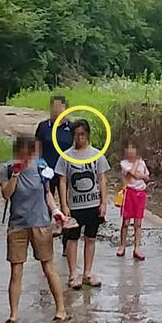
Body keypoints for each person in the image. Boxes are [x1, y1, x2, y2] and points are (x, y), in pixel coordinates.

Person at [0, 132, 68, 323]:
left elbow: (47, 193)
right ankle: (13, 315)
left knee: (48, 267)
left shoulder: (42, 167)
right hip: (17, 225)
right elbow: (6, 194)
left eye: (30, 152)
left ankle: (61, 308)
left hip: (41, 223)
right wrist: (15, 175)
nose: (27, 156)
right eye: (24, 152)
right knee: (16, 271)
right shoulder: (7, 168)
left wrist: (56, 211)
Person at [56, 117, 109, 289]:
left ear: (87, 135)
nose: (80, 138)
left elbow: (102, 179)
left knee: (90, 238)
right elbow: (62, 181)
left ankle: (87, 272)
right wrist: (63, 205)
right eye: (77, 134)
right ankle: (73, 274)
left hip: (93, 204)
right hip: (74, 206)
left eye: (83, 134)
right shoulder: (66, 156)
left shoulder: (96, 154)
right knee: (72, 239)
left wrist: (103, 202)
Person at [117, 141, 150, 261]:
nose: (130, 151)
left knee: (138, 223)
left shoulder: (143, 163)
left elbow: (147, 177)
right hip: (129, 193)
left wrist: (140, 175)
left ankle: (137, 248)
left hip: (140, 193)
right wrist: (137, 165)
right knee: (126, 222)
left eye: (133, 149)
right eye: (128, 149)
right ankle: (122, 246)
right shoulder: (124, 163)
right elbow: (132, 174)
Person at [36, 93, 74, 173]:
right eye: (55, 108)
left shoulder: (72, 127)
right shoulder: (43, 126)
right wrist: (39, 163)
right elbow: (37, 148)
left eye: (60, 108)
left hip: (66, 170)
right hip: (46, 169)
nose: (57, 111)